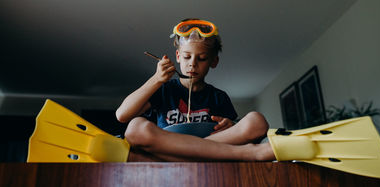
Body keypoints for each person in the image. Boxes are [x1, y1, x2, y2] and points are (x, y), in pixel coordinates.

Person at [116, 19, 275, 161]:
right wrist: (156, 79)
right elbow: (122, 115)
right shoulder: (164, 89)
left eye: (202, 58)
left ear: (214, 61)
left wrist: (230, 124)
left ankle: (174, 156)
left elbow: (238, 130)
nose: (192, 64)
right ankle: (249, 153)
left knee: (256, 121)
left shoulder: (218, 97)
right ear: (178, 56)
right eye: (187, 57)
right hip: (180, 145)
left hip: (168, 151)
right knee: (135, 128)